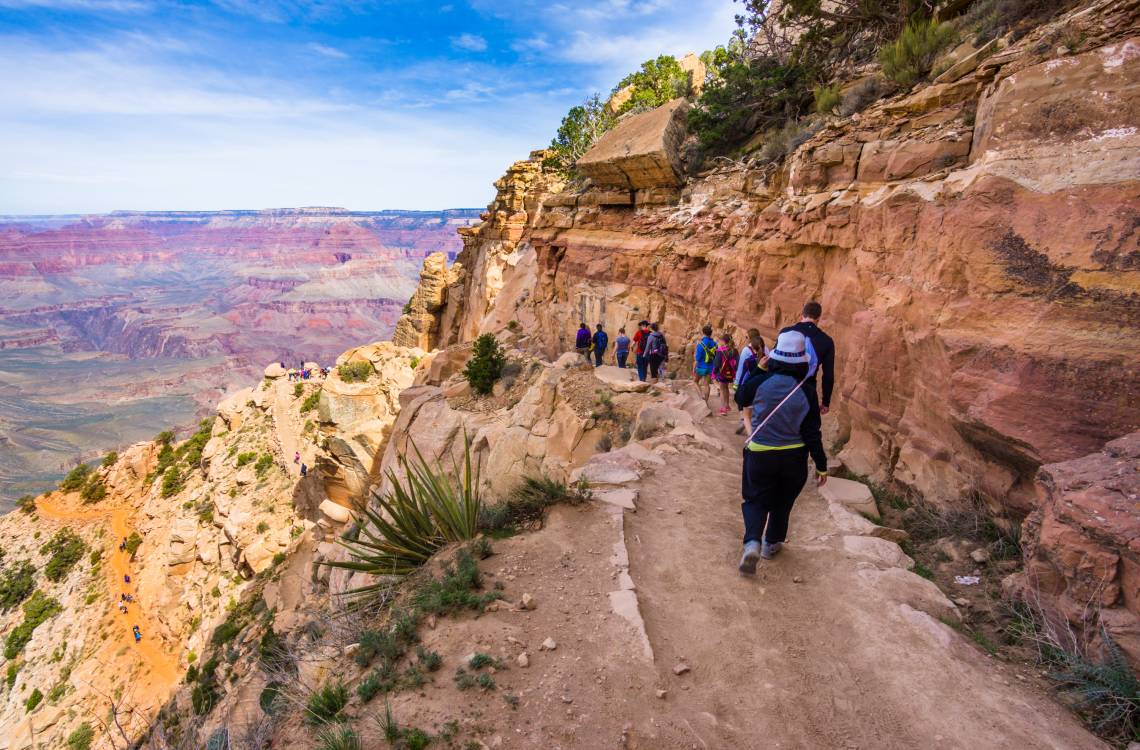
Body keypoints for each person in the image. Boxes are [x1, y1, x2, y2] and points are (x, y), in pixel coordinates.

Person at [738, 330, 828, 575]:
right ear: (802, 362)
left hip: (760, 453)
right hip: (794, 458)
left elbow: (741, 397)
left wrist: (758, 370)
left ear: (775, 357)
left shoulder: (760, 382)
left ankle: (752, 542)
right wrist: (821, 465)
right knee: (783, 502)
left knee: (755, 500)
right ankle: (771, 544)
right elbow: (812, 433)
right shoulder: (807, 391)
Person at [780, 302, 835, 473]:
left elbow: (775, 360)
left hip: (781, 386)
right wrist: (825, 401)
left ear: (802, 314)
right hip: (807, 390)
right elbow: (828, 375)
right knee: (810, 431)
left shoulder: (785, 332)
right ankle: (812, 467)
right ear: (818, 318)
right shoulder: (826, 341)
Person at [735, 330, 766, 434]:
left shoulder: (748, 359)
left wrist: (738, 385)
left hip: (750, 387)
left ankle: (751, 437)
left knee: (746, 415)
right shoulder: (767, 358)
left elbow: (743, 373)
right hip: (763, 388)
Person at [711, 334, 739, 417]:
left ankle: (723, 408)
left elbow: (717, 364)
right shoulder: (734, 350)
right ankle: (727, 405)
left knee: (722, 389)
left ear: (723, 341)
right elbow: (738, 362)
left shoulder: (720, 351)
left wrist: (714, 373)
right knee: (726, 387)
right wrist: (735, 371)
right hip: (730, 373)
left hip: (722, 373)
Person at [692, 325, 717, 403]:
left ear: (703, 333)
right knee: (707, 384)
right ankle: (706, 401)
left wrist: (694, 368)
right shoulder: (715, 344)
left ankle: (701, 396)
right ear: (711, 333)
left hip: (701, 367)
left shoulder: (701, 344)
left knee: (695, 381)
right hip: (710, 367)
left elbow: (697, 359)